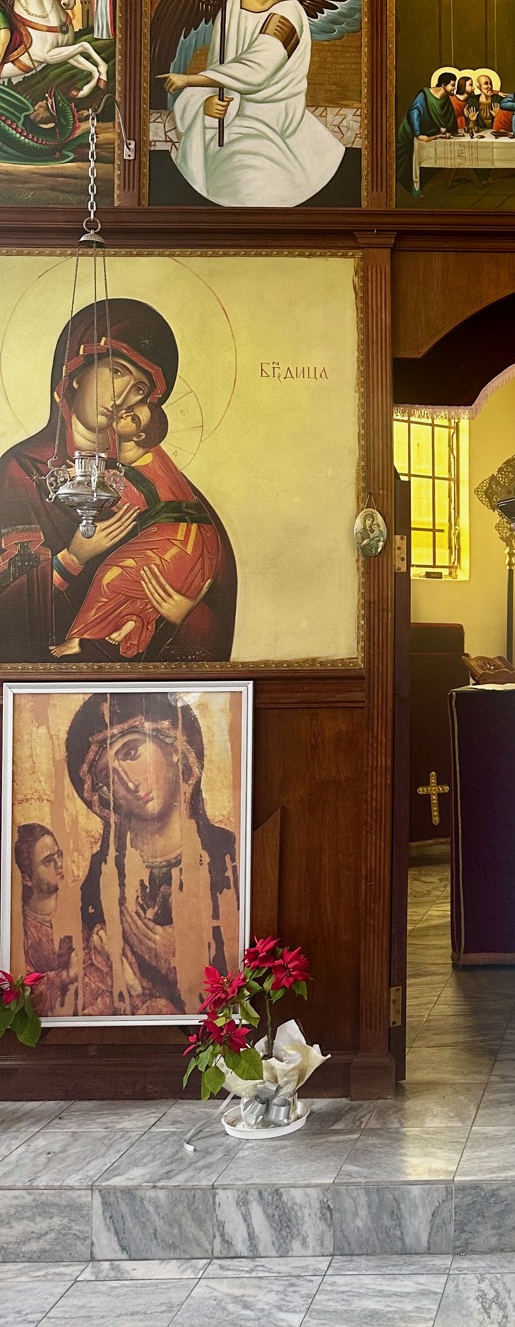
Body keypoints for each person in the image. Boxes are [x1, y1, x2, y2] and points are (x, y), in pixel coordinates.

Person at [0, 299, 237, 663]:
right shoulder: (20, 472)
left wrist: (185, 615)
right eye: (116, 372)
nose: (123, 396)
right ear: (76, 372)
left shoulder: (164, 489)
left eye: (140, 389)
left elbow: (213, 597)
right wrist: (72, 558)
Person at [67, 690, 241, 1017]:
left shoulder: (229, 858)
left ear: (172, 747)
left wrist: (183, 957)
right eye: (108, 776)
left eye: (132, 753)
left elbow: (245, 973)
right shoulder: (100, 880)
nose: (128, 782)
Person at [163, 0, 343, 206]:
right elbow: (219, 73)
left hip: (275, 120)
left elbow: (257, 68)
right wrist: (207, 106)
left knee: (248, 179)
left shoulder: (288, 12)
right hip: (230, 121)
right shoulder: (229, 10)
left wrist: (190, 80)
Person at [53, 399, 221, 661]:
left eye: (133, 416)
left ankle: (76, 638)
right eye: (130, 409)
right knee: (145, 584)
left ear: (140, 435)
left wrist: (84, 476)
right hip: (183, 537)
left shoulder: (151, 459)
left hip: (181, 538)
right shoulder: (134, 455)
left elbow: (131, 491)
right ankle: (134, 621)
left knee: (112, 574)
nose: (124, 413)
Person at [14, 824, 75, 1017]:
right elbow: (22, 990)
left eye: (59, 855)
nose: (59, 864)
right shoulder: (21, 931)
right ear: (27, 879)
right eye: (48, 861)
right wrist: (65, 977)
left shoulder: (73, 912)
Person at [395, 68, 461, 193]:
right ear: (443, 85)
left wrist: (444, 130)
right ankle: (414, 188)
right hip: (411, 132)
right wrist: (418, 134)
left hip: (430, 133)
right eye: (452, 85)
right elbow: (414, 113)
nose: (454, 88)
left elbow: (446, 118)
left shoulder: (446, 99)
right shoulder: (424, 96)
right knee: (411, 161)